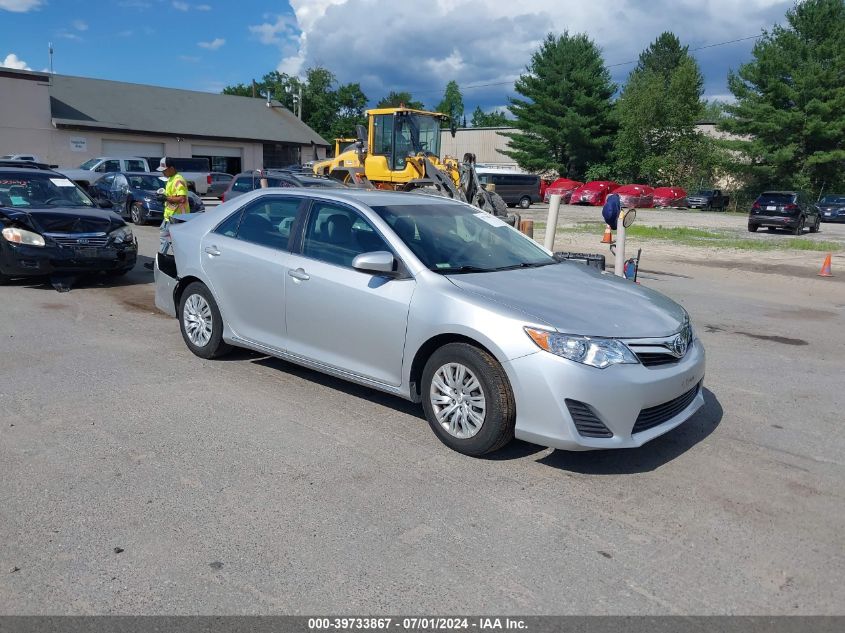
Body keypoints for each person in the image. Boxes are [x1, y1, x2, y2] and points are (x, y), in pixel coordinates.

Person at [145, 157, 189, 268]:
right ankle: (160, 263)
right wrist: (163, 196)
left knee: (171, 241)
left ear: (172, 168)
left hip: (178, 217)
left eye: (164, 170)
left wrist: (165, 198)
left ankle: (166, 263)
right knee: (167, 240)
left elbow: (182, 199)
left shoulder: (178, 180)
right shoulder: (170, 179)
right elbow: (172, 196)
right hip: (170, 216)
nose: (163, 172)